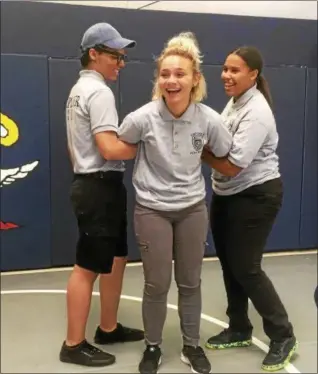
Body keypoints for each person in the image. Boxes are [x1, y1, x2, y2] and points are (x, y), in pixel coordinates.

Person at [104, 31, 233, 374]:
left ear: (195, 80)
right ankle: (153, 345)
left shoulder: (209, 119)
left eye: (180, 74)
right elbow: (120, 146)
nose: (171, 80)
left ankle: (192, 345)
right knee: (156, 283)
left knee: (190, 282)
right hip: (152, 210)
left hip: (192, 209)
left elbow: (223, 151)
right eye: (165, 74)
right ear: (158, 79)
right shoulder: (142, 118)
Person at [202, 46, 298, 372]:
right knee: (230, 264)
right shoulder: (235, 102)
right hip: (227, 194)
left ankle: (283, 335)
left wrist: (198, 148)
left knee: (246, 267)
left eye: (235, 70)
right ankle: (239, 327)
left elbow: (233, 166)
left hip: (256, 195)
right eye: (225, 69)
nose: (226, 76)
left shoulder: (256, 111)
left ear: (253, 75)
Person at [59, 22, 144, 368]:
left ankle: (107, 327)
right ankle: (73, 344)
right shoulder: (99, 93)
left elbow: (75, 148)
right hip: (98, 187)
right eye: (115, 55)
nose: (120, 63)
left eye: (123, 57)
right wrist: (148, 142)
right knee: (87, 267)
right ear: (93, 54)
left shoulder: (79, 90)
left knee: (117, 257)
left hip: (99, 185)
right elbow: (109, 148)